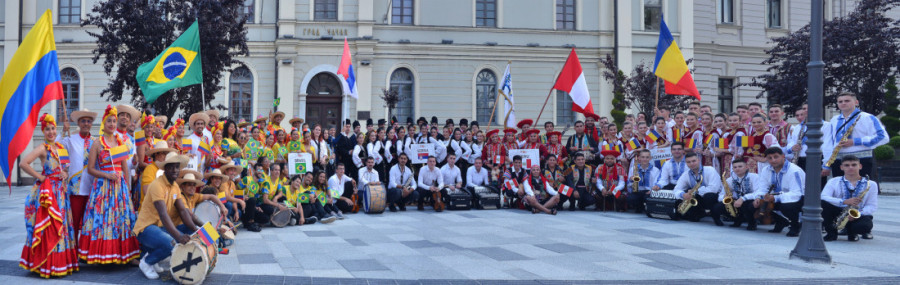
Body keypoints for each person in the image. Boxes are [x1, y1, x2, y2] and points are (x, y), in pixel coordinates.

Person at [18, 114, 80, 277]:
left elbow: (64, 168)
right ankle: (47, 264)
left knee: (61, 225)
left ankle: (60, 263)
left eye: (53, 128)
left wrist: (65, 174)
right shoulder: (42, 148)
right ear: (43, 131)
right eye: (47, 129)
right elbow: (23, 163)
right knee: (51, 225)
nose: (51, 132)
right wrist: (40, 177)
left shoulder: (60, 147)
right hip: (49, 192)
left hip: (61, 192)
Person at [79, 105, 141, 264]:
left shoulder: (120, 141)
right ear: (104, 123)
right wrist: (106, 175)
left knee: (121, 219)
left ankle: (124, 253)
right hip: (103, 188)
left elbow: (125, 167)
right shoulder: (97, 143)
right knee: (104, 220)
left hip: (119, 188)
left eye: (114, 121)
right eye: (109, 121)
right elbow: (91, 169)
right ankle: (101, 254)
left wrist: (126, 187)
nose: (112, 124)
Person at [133, 153, 196, 279]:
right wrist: (178, 236)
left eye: (177, 167)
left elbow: (183, 211)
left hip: (160, 228)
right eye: (171, 167)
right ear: (165, 169)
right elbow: (162, 214)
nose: (174, 170)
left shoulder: (175, 187)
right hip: (145, 229)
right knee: (171, 243)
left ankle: (152, 257)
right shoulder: (157, 185)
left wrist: (196, 230)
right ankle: (146, 262)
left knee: (189, 230)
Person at [821, 92, 889, 180]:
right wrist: (827, 164)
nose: (843, 103)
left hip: (861, 159)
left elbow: (883, 137)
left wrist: (855, 141)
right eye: (840, 101)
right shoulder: (834, 120)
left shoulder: (867, 117)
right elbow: (829, 143)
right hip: (838, 161)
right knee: (840, 189)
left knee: (860, 188)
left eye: (847, 101)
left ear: (856, 102)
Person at [59, 108, 97, 239]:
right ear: (79, 123)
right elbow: (56, 147)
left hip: (92, 188)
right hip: (76, 189)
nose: (86, 123)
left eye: (89, 121)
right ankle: (73, 250)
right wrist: (63, 131)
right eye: (83, 121)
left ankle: (86, 252)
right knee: (74, 222)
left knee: (90, 223)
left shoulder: (96, 141)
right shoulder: (70, 139)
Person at [821, 155, 878, 241]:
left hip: (857, 213)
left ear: (860, 166)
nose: (850, 167)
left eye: (854, 165)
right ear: (841, 167)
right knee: (823, 204)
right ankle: (831, 233)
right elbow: (823, 197)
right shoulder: (833, 181)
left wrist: (858, 214)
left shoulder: (871, 184)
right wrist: (843, 201)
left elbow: (872, 206)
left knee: (864, 226)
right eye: (847, 165)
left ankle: (852, 232)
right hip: (839, 212)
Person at [757, 147, 805, 237]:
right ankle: (781, 222)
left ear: (783, 156)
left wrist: (775, 198)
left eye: (776, 157)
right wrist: (759, 197)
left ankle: (796, 225)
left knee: (787, 206)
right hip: (776, 197)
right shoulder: (766, 170)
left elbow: (797, 194)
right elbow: (763, 188)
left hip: (799, 198)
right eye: (770, 158)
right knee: (756, 204)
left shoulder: (794, 171)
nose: (773, 160)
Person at [672, 152, 723, 223]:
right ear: (686, 163)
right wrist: (683, 194)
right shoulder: (686, 174)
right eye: (688, 162)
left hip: (714, 198)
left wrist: (694, 191)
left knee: (709, 196)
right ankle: (700, 213)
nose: (691, 164)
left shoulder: (710, 170)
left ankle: (714, 214)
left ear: (699, 160)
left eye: (694, 161)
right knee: (690, 217)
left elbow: (713, 189)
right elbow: (677, 189)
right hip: (697, 198)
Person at [716, 159, 765, 230]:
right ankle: (737, 220)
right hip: (736, 201)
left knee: (745, 204)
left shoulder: (755, 177)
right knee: (718, 207)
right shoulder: (729, 180)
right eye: (735, 167)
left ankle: (752, 223)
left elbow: (758, 192)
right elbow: (721, 194)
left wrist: (743, 198)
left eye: (740, 166)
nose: (737, 169)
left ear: (746, 167)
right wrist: (723, 197)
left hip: (751, 201)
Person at [139, 141, 174, 210]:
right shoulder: (150, 169)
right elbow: (147, 191)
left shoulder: (165, 170)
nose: (166, 156)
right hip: (149, 213)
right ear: (156, 155)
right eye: (164, 153)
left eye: (167, 153)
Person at [626, 149, 659, 213]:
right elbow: (628, 185)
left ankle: (645, 207)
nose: (645, 159)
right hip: (637, 190)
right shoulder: (633, 168)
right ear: (639, 158)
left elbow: (656, 183)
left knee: (648, 198)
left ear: (650, 158)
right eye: (643, 157)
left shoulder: (655, 170)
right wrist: (631, 180)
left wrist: (652, 191)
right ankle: (639, 206)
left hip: (649, 191)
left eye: (647, 157)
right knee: (630, 199)